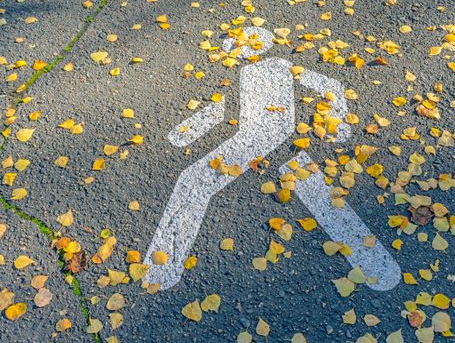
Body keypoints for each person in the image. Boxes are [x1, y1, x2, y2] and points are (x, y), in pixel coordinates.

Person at [144, 27, 400, 291]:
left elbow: (327, 85)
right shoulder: (243, 72)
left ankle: (375, 264)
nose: (236, 47)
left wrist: (338, 121)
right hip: (254, 140)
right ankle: (376, 266)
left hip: (271, 140)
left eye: (241, 42)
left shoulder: (278, 64)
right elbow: (222, 111)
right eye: (234, 43)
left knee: (197, 180)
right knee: (316, 193)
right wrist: (186, 132)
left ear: (259, 44)